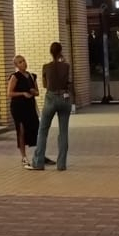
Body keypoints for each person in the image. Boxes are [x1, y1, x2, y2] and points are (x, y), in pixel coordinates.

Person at [32, 41, 74, 170]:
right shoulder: (66, 66)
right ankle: (61, 164)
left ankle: (39, 162)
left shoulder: (46, 67)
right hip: (64, 98)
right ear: (61, 52)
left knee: (43, 130)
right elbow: (69, 82)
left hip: (51, 98)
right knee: (63, 132)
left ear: (51, 52)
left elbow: (45, 85)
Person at [8, 54, 40, 166]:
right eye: (20, 62)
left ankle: (39, 153)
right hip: (18, 107)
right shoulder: (15, 77)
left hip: (30, 107)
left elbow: (37, 92)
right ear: (16, 65)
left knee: (36, 129)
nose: (23, 63)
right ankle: (24, 156)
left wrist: (33, 92)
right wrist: (22, 93)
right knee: (21, 130)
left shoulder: (32, 76)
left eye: (24, 61)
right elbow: (9, 93)